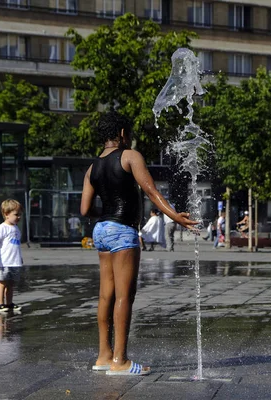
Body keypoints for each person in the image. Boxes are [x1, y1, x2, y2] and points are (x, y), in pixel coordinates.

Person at [80, 111, 198, 376]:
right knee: (124, 296)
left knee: (105, 295)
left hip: (101, 231)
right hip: (122, 232)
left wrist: (107, 218)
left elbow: (85, 208)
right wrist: (175, 216)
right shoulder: (130, 156)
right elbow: (152, 192)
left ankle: (103, 356)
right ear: (122, 133)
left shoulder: (92, 168)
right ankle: (120, 361)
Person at [0, 199, 23, 313]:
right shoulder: (2, 228)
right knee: (2, 283)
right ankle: (0, 304)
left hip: (14, 262)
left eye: (20, 214)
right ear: (6, 214)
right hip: (4, 262)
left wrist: (20, 258)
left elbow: (16, 246)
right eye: (16, 214)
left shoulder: (16, 229)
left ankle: (9, 303)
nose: (19, 217)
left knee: (11, 284)